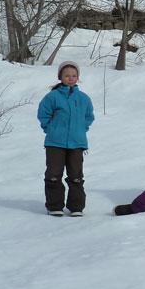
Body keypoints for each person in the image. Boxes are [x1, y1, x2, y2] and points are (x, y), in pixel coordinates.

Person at [37, 61, 94, 216]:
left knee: (76, 176)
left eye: (74, 76)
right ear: (60, 77)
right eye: (67, 75)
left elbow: (89, 117)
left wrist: (82, 129)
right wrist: (51, 129)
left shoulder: (83, 99)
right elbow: (43, 115)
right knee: (54, 175)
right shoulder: (52, 97)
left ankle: (76, 207)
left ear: (78, 78)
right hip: (55, 143)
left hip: (77, 143)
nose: (71, 78)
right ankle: (54, 206)